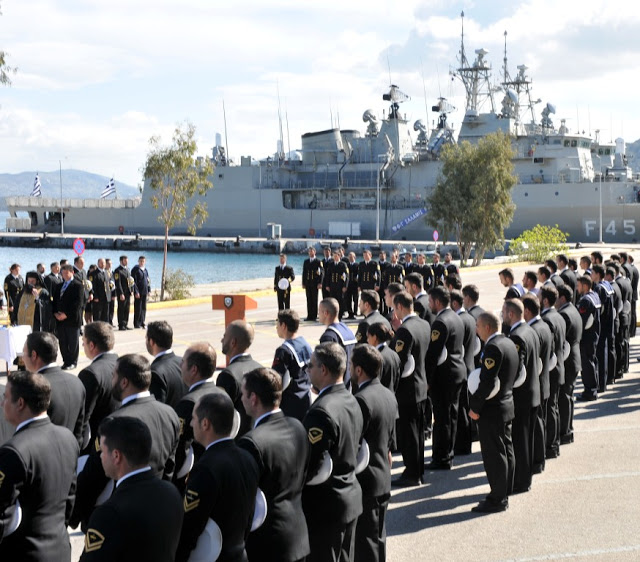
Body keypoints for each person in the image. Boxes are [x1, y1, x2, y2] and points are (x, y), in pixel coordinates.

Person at [71, 354, 180, 531]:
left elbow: (94, 476)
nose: (111, 379)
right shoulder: (169, 414)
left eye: (114, 375)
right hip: (155, 509)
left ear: (124, 382)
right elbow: (169, 466)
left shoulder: (114, 422)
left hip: (119, 514)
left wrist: (76, 515)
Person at [79, 416, 183, 561]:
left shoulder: (109, 514)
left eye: (102, 451)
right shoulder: (171, 493)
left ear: (116, 456)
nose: (100, 456)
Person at [0, 372, 78, 560]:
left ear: (20, 403)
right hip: (60, 550)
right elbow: (69, 500)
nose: (2, 403)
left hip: (25, 553)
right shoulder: (68, 438)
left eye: (6, 397)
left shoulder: (13, 451)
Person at [176, 392, 260, 562]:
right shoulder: (248, 458)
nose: (191, 423)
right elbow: (251, 514)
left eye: (193, 418)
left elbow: (190, 527)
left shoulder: (206, 468)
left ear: (205, 424)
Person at [238, 367, 311, 562]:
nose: (241, 399)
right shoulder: (297, 426)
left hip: (268, 543)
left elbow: (245, 502)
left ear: (253, 398)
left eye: (243, 394)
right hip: (298, 535)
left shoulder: (251, 442)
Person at [302, 342, 363, 562]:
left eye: (311, 366)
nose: (308, 370)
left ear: (324, 370)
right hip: (350, 496)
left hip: (326, 506)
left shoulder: (320, 411)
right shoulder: (351, 399)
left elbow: (310, 463)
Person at [351, 345, 398, 562]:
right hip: (382, 475)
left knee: (365, 542)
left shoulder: (361, 400)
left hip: (366, 479)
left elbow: (354, 443)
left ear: (359, 370)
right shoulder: (387, 394)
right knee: (378, 537)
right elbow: (389, 441)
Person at [468, 312, 518, 513]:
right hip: (506, 404)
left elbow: (487, 382)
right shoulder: (507, 343)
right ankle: (505, 489)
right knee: (506, 449)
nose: (476, 330)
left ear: (488, 327)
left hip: (492, 410)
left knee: (494, 455)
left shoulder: (493, 348)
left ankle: (498, 498)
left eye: (478, 326)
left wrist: (475, 408)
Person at [390, 291, 430, 486]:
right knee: (418, 432)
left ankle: (412, 473)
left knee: (409, 433)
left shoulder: (405, 330)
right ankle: (418, 470)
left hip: (408, 388)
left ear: (399, 307)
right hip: (421, 384)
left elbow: (399, 361)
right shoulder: (424, 323)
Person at [425, 286, 466, 470]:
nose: (428, 304)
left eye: (430, 301)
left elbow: (433, 354)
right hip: (457, 371)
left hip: (445, 375)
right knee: (452, 415)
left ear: (437, 302)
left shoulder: (440, 322)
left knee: (442, 418)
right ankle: (448, 452)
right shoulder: (456, 317)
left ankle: (442, 458)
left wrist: (426, 378)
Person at [22, 331, 86, 448]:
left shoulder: (33, 387)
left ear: (34, 355)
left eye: (24, 353)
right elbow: (80, 429)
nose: (22, 358)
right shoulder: (76, 382)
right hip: (71, 455)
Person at [502, 298, 540, 494]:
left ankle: (522, 481)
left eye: (503, 312)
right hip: (533, 392)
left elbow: (517, 370)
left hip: (522, 396)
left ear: (511, 314)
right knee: (528, 439)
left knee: (521, 441)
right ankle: (526, 477)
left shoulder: (516, 336)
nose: (501, 315)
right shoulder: (530, 330)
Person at [173, 342, 223, 491]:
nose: (180, 365)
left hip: (195, 476)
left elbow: (181, 448)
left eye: (183, 362)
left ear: (194, 369)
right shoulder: (222, 393)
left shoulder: (189, 403)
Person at [522, 294, 552, 475]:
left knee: (536, 426)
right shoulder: (543, 326)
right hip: (543, 381)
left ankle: (537, 460)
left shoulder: (534, 330)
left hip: (536, 382)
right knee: (540, 423)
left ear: (527, 310)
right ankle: (539, 459)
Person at [216, 320, 263, 437]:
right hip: (258, 437)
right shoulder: (261, 369)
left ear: (233, 342)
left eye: (224, 336)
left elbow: (219, 414)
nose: (222, 340)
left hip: (238, 442)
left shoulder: (228, 375)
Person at [78, 321, 119, 455]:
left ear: (92, 345)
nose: (83, 345)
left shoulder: (90, 374)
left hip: (97, 447)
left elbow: (83, 418)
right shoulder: (122, 363)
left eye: (84, 341)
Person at [539, 286, 567, 459]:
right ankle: (554, 443)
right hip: (558, 366)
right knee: (553, 408)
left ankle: (551, 445)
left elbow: (547, 349)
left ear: (545, 301)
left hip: (551, 368)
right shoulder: (558, 315)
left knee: (549, 409)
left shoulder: (547, 319)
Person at [272, 309, 313, 420]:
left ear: (284, 326)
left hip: (289, 404)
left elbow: (276, 380)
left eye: (277, 324)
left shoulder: (283, 351)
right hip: (305, 398)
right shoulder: (305, 344)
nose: (276, 328)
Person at [449, 289, 477, 455]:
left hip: (461, 368)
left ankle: (462, 445)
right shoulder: (469, 317)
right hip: (469, 365)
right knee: (464, 409)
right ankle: (465, 443)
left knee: (460, 411)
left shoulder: (459, 320)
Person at [556, 286, 582, 445]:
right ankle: (568, 429)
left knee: (564, 398)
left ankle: (565, 432)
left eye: (557, 297)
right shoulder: (573, 309)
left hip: (568, 360)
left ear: (563, 298)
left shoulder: (564, 314)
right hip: (574, 359)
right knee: (568, 397)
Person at [146, 321, 186, 408]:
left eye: (147, 339)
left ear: (152, 342)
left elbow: (158, 408)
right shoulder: (183, 362)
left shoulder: (155, 371)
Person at [318, 298, 357, 386]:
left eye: (319, 311)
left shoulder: (329, 336)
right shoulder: (347, 330)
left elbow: (326, 366)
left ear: (326, 313)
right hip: (349, 383)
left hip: (335, 386)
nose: (318, 314)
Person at [52, 264, 84, 370]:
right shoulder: (59, 286)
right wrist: (55, 313)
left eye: (67, 273)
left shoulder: (78, 285)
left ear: (72, 272)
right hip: (60, 320)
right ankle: (66, 361)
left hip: (72, 319)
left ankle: (73, 362)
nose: (64, 275)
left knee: (73, 342)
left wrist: (66, 314)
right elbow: (55, 301)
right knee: (63, 342)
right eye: (63, 273)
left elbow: (78, 303)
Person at [576, 275, 601, 401]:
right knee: (592, 361)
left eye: (579, 285)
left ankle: (590, 391)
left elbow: (582, 322)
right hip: (594, 334)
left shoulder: (585, 300)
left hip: (587, 337)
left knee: (587, 365)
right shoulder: (595, 296)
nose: (577, 287)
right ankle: (593, 388)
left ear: (585, 286)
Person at [367, 322, 401, 392]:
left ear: (375, 337)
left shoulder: (376, 358)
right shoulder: (394, 354)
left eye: (368, 337)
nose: (367, 340)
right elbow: (397, 379)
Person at [324, 248, 349, 319]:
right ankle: (333, 315)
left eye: (336, 256)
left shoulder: (343, 264)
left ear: (339, 256)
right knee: (332, 301)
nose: (334, 257)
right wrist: (327, 285)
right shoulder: (331, 264)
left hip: (340, 286)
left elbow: (346, 276)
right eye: (333, 256)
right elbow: (328, 276)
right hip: (332, 286)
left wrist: (345, 286)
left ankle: (339, 316)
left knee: (340, 301)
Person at [114, 255, 137, 331]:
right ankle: (121, 324)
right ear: (121, 261)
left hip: (128, 292)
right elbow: (118, 283)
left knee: (127, 308)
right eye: (125, 260)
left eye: (127, 260)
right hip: (122, 293)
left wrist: (132, 290)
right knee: (121, 308)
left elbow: (130, 281)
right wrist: (121, 293)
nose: (127, 262)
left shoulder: (127, 269)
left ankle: (125, 323)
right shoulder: (118, 270)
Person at [302, 246, 323, 321]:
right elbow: (304, 273)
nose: (310, 253)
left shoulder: (318, 261)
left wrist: (320, 282)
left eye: (311, 251)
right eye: (309, 252)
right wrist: (303, 283)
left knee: (314, 299)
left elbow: (321, 273)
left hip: (315, 283)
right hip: (308, 283)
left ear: (314, 252)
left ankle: (314, 315)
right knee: (308, 299)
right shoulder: (306, 261)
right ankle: (309, 315)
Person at [131, 255, 151, 328]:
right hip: (138, 292)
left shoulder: (145, 270)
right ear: (138, 261)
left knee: (143, 308)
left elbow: (148, 281)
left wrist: (149, 290)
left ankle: (142, 322)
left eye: (143, 261)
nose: (142, 263)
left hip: (144, 291)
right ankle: (137, 323)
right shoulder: (135, 270)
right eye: (141, 261)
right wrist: (136, 291)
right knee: (138, 308)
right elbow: (133, 282)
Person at [88, 259, 110, 323]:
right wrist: (95, 296)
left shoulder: (106, 272)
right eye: (101, 263)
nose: (103, 264)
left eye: (104, 263)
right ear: (98, 264)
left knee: (105, 315)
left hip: (106, 297)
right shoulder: (93, 274)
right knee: (98, 316)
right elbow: (92, 286)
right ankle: (97, 330)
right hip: (98, 298)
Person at [345, 252, 360, 318]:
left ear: (354, 257)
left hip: (355, 285)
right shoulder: (346, 265)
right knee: (348, 299)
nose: (350, 258)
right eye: (349, 257)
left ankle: (355, 312)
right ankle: (350, 313)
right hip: (348, 285)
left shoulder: (357, 265)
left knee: (355, 299)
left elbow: (359, 274)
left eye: (352, 257)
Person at [104, 258, 116, 327]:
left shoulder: (112, 272)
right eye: (108, 264)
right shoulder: (104, 272)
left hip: (112, 293)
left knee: (112, 308)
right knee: (107, 309)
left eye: (111, 264)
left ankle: (110, 321)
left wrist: (114, 294)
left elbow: (114, 284)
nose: (110, 265)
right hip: (106, 293)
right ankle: (107, 321)